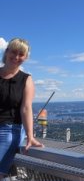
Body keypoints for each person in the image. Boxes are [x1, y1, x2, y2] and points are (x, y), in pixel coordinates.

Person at [0, 38, 44, 179]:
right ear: (6, 52)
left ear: (26, 57)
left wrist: (30, 137)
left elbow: (26, 108)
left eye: (21, 54)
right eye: (14, 52)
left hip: (9, 129)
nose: (17, 57)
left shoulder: (26, 79)